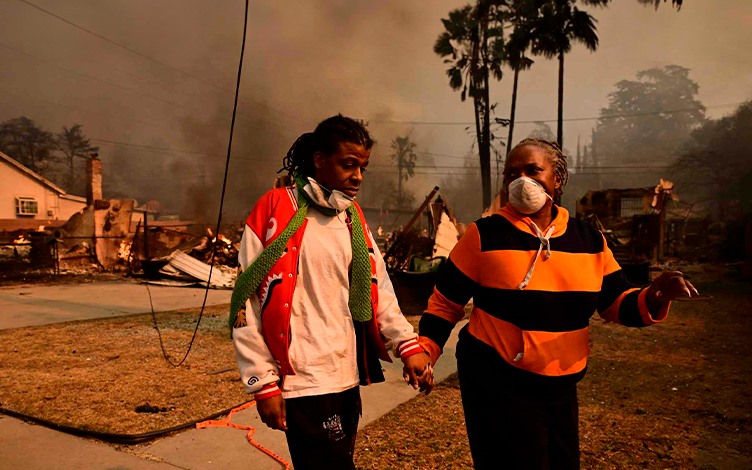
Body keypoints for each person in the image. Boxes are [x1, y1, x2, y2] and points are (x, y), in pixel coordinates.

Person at [416, 138, 698, 470]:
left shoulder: (589, 240)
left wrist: (654, 296)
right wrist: (425, 351)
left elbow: (616, 302)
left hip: (561, 386)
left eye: (533, 170)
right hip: (496, 382)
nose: (521, 181)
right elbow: (445, 303)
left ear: (557, 179)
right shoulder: (483, 235)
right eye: (512, 174)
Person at [230, 114, 433, 470]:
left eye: (363, 167)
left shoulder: (352, 218)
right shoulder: (274, 208)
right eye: (348, 164)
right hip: (302, 382)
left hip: (345, 377)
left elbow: (378, 289)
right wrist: (262, 382)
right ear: (320, 160)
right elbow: (244, 302)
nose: (357, 177)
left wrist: (407, 345)